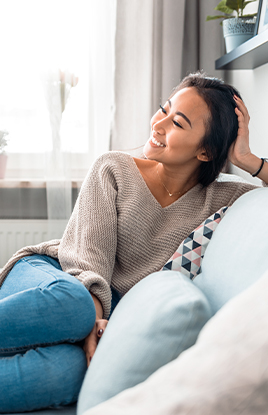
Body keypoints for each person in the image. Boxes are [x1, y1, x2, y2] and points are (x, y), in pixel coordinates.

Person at [0, 71, 267, 413]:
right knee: (74, 304)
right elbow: (86, 261)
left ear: (205, 152)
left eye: (178, 123)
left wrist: (248, 160)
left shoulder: (223, 198)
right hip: (55, 278)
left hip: (97, 313)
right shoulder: (113, 167)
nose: (158, 124)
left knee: (68, 373)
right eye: (163, 109)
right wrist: (92, 322)